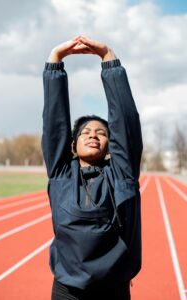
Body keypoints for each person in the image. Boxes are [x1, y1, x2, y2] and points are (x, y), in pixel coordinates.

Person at [42, 35, 143, 300]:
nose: (93, 135)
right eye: (85, 132)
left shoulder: (122, 174)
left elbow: (125, 121)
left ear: (112, 145)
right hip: (67, 291)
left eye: (102, 132)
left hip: (114, 289)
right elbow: (55, 126)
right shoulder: (61, 173)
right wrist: (55, 63)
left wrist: (109, 59)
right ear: (73, 144)